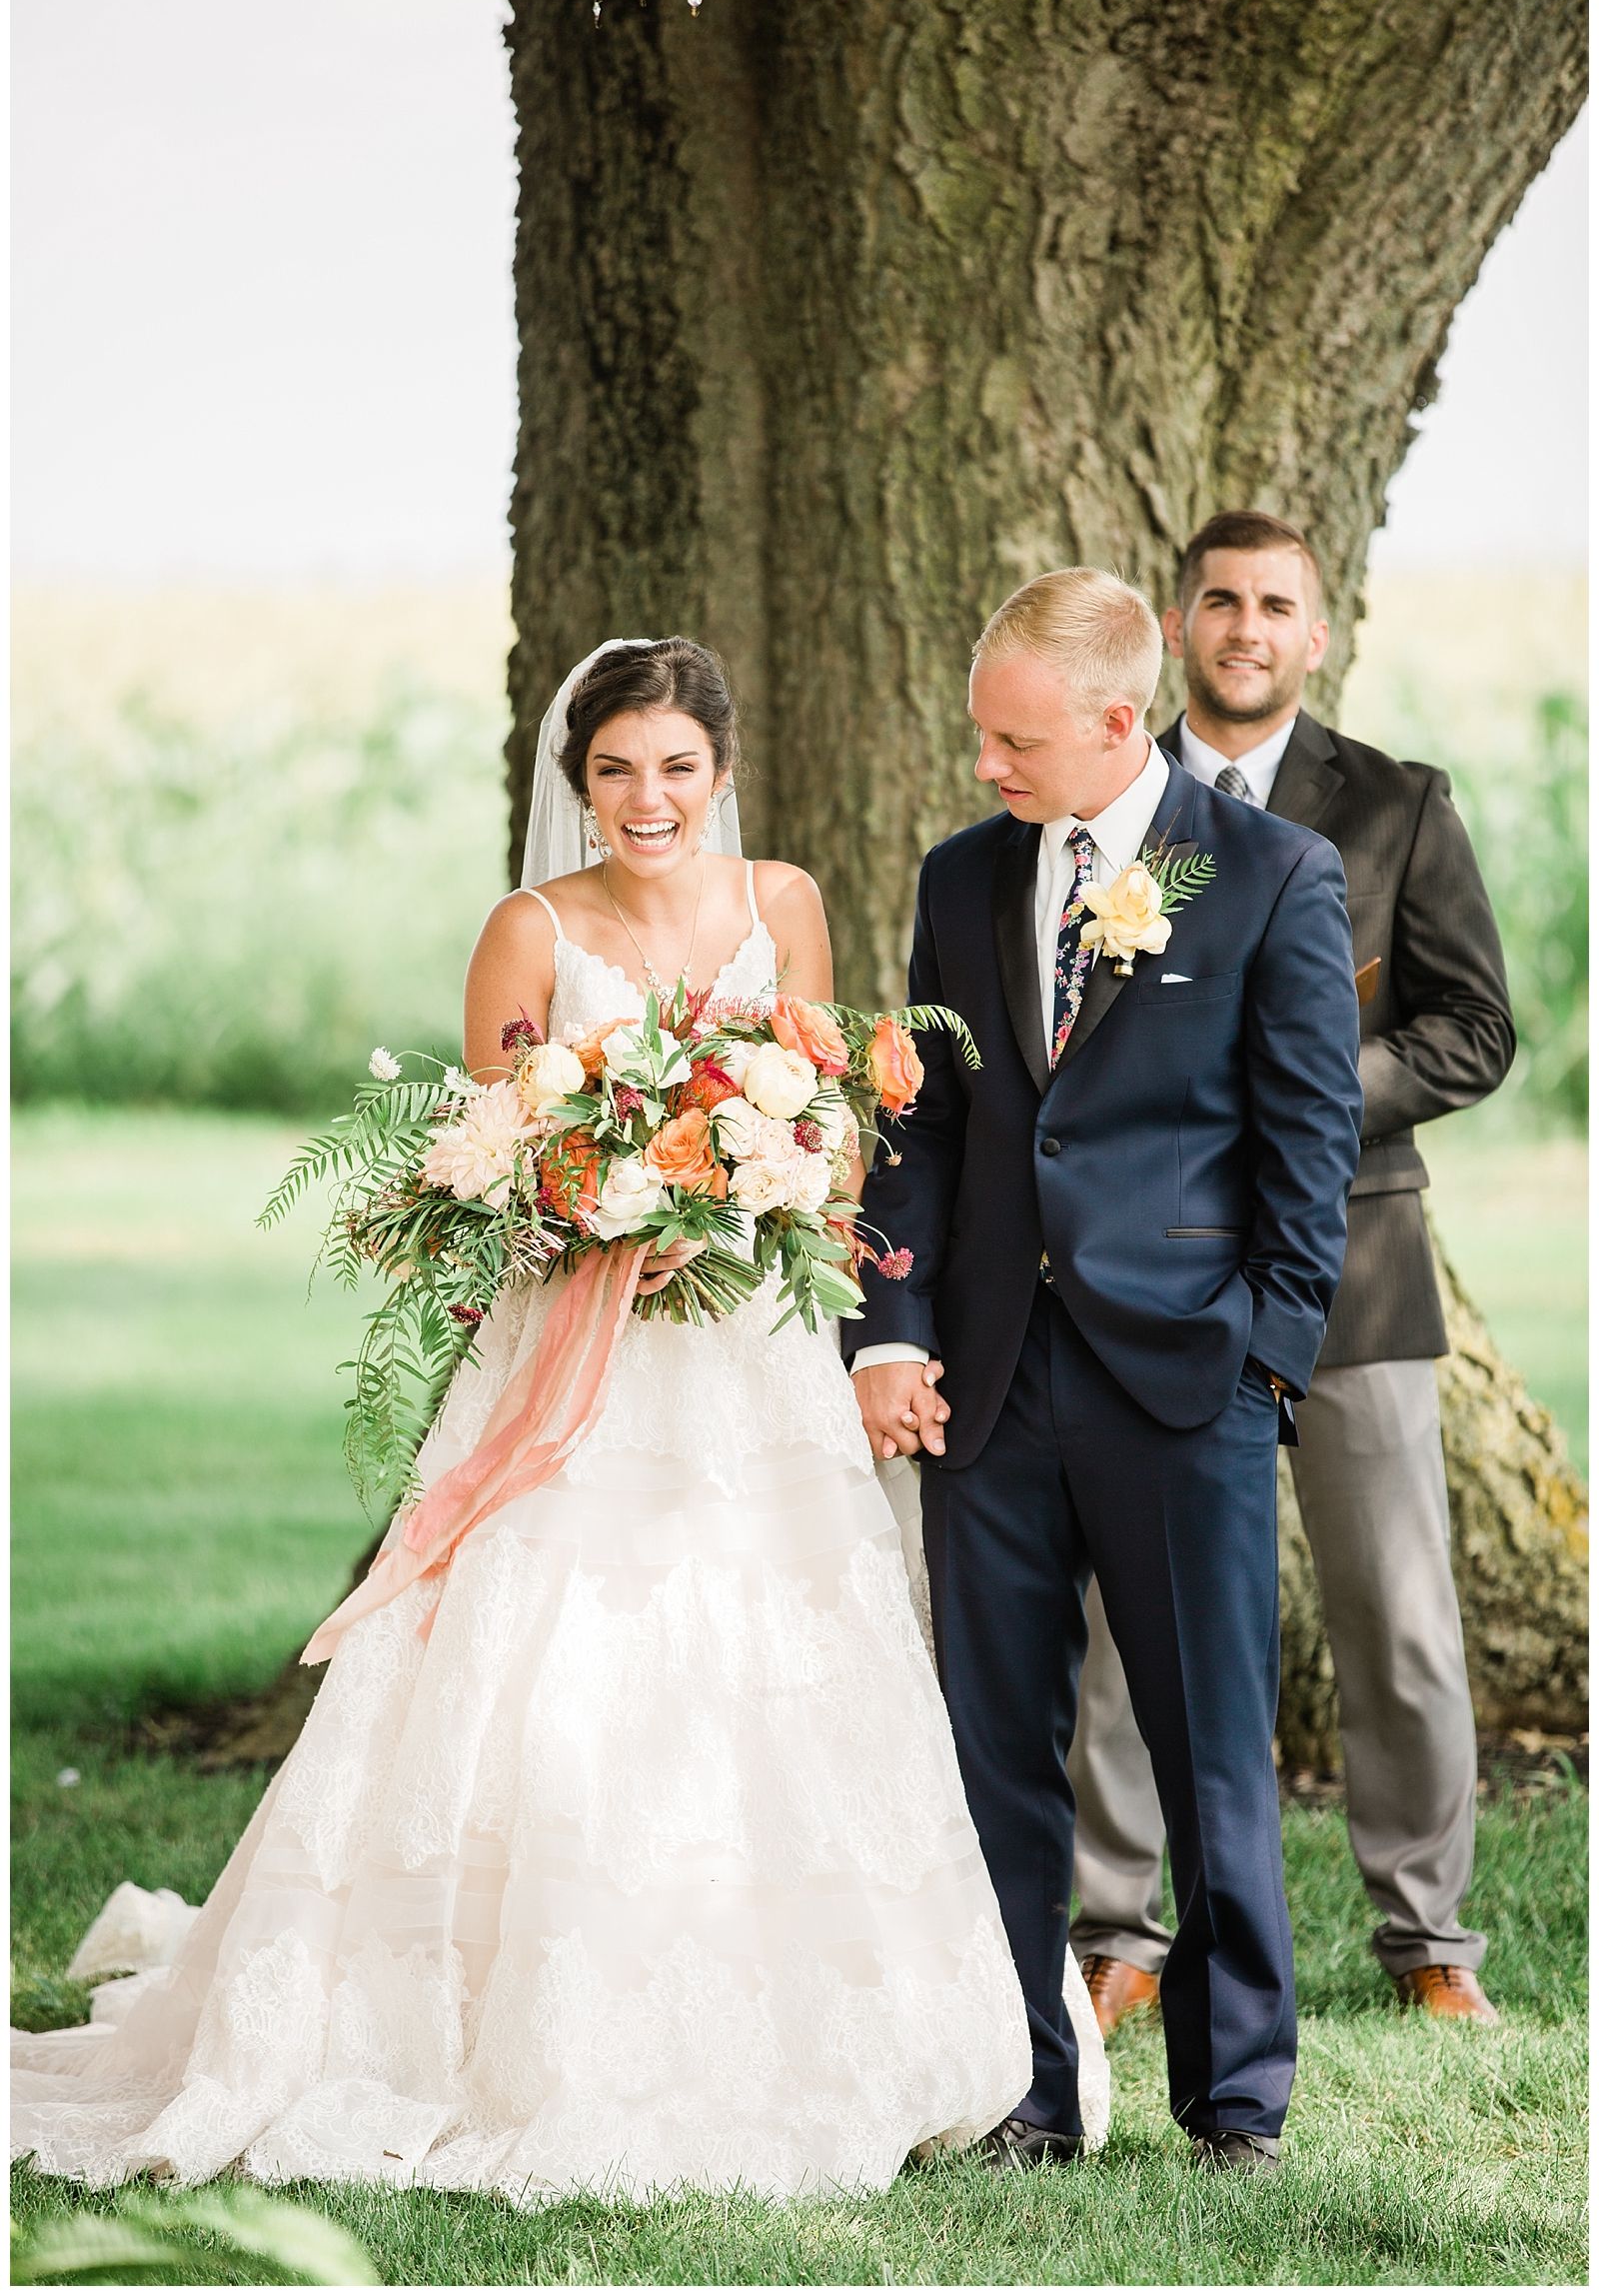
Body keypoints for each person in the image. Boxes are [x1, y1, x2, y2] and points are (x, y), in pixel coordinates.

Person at [13, 636, 1113, 2203]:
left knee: (777, 1660)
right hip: (578, 1369)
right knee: (550, 1669)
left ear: (720, 771)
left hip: (749, 1361)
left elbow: (836, 1135)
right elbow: (492, 1165)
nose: (646, 797)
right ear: (577, 780)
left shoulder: (783, 902)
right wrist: (606, 1214)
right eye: (615, 770)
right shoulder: (528, 930)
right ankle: (491, 2016)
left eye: (676, 767)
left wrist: (755, 1187)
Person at [848, 568, 1363, 2176]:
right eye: (982, 735)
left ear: (1115, 721)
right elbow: (923, 1121)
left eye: (1014, 739)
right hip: (990, 1381)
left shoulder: (1272, 877)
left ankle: (1237, 2099)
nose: (986, 763)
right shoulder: (960, 877)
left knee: (1211, 1752)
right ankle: (1029, 2085)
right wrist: (893, 1324)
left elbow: (1313, 1150)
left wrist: (1264, 1362)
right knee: (996, 1748)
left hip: (1188, 1384)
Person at [1067, 513, 1515, 2034]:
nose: (1246, 627)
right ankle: (1119, 1929)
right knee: (1134, 1619)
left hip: (1358, 1272)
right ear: (1177, 624)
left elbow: (1473, 1029)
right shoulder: (1110, 799)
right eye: (1220, 601)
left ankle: (1428, 1934)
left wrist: (1308, 1089)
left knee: (1396, 1614)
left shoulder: (1395, 804)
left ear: (1316, 633)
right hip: (1154, 1279)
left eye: (1275, 605)